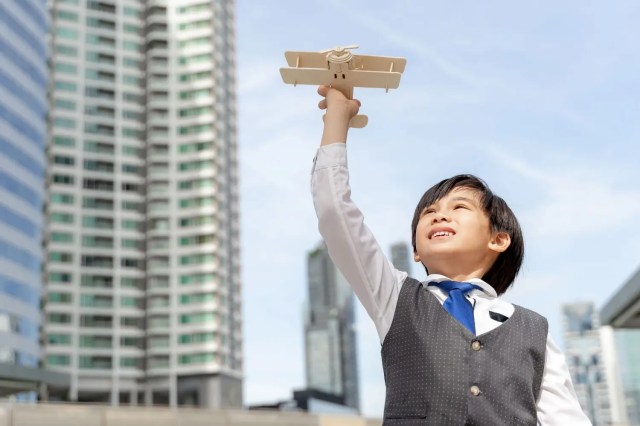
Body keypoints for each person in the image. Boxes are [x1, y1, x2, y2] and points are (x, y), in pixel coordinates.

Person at [311, 85, 591, 425]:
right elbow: (334, 212)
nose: (439, 216)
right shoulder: (395, 298)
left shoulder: (535, 330)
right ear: (415, 250)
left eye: (459, 207)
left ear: (499, 239)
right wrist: (337, 119)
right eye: (428, 213)